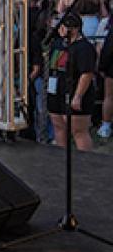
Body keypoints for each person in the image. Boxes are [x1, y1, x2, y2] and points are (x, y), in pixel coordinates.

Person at [46, 12, 98, 151]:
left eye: (62, 26)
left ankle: (85, 163)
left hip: (73, 90)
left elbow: (86, 73)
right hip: (56, 90)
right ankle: (62, 156)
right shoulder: (58, 43)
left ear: (73, 28)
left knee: (78, 131)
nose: (59, 29)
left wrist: (78, 96)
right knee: (58, 126)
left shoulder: (84, 47)